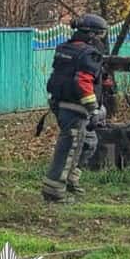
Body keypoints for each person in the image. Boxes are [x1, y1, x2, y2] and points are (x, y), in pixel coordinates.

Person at [42, 14, 108, 202]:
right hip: (75, 107)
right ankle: (54, 192)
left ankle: (70, 178)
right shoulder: (89, 54)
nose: (102, 39)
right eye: (100, 35)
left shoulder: (65, 48)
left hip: (60, 102)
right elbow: (82, 81)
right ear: (92, 35)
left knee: (88, 142)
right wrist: (94, 108)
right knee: (69, 147)